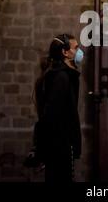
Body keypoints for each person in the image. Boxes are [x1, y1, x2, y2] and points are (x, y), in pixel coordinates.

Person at [31, 33, 84, 182]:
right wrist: (44, 150)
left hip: (62, 146)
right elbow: (51, 115)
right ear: (65, 52)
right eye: (76, 48)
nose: (79, 52)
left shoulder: (64, 75)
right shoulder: (61, 77)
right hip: (59, 147)